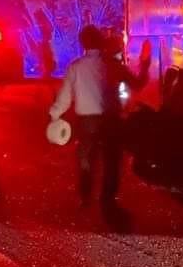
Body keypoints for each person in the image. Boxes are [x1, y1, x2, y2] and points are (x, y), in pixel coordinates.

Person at [50, 26, 149, 209]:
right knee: (112, 160)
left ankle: (85, 197)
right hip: (111, 120)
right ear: (100, 41)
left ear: (82, 43)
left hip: (87, 121)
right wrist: (145, 63)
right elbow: (137, 84)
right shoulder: (112, 64)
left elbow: (64, 97)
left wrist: (54, 115)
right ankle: (108, 198)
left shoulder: (76, 67)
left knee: (86, 159)